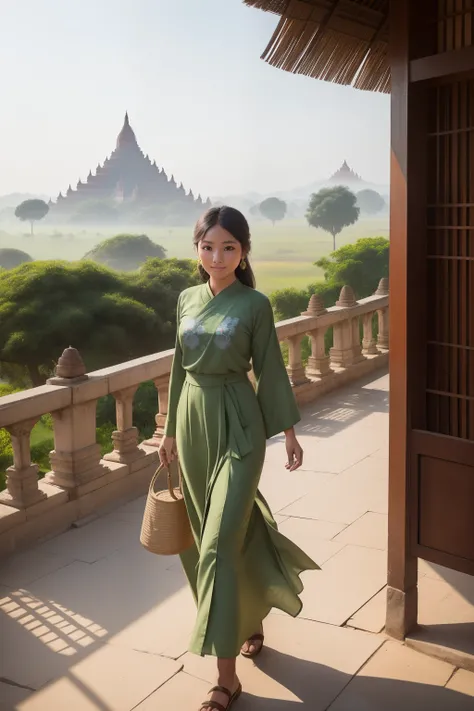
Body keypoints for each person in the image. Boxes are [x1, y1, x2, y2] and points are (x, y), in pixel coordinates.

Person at [159, 205, 319, 711]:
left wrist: (290, 432)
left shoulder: (255, 304)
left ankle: (225, 678)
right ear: (197, 249)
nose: (217, 256)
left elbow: (271, 369)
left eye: (229, 247)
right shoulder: (186, 298)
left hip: (240, 426)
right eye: (208, 247)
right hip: (191, 424)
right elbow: (179, 367)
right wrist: (166, 431)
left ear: (244, 251)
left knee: (217, 546)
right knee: (217, 535)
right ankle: (249, 616)